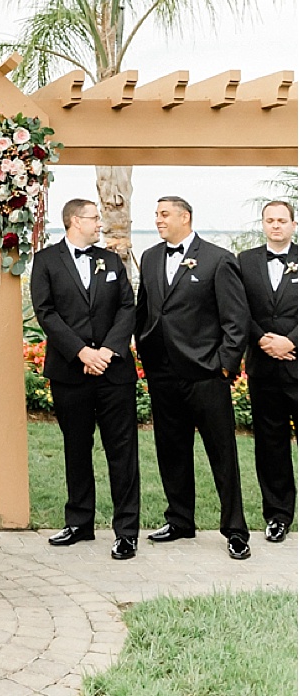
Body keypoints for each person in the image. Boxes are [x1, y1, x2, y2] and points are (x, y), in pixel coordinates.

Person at [135, 196, 250, 560]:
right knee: (171, 450)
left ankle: (235, 529)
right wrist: (147, 354)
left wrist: (225, 366)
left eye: (164, 214)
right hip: (163, 374)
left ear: (185, 217)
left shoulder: (218, 259)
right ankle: (180, 519)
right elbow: (145, 311)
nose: (157, 220)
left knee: (222, 453)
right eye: (156, 214)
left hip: (205, 374)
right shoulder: (151, 257)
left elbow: (236, 319)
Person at [30, 198, 140, 560]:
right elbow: (46, 312)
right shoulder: (46, 260)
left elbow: (127, 306)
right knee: (76, 448)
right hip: (70, 372)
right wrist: (81, 352)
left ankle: (126, 531)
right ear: (75, 221)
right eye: (94, 218)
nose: (100, 224)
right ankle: (79, 522)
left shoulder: (110, 260)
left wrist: (107, 351)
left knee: (121, 452)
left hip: (113, 372)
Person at [238, 200, 298, 543]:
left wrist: (292, 342)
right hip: (263, 368)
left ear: (293, 224)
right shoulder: (245, 262)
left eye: (281, 220)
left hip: (298, 363)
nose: (276, 226)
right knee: (271, 446)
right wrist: (263, 340)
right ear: (263, 224)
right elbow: (236, 307)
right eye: (270, 220)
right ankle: (277, 516)